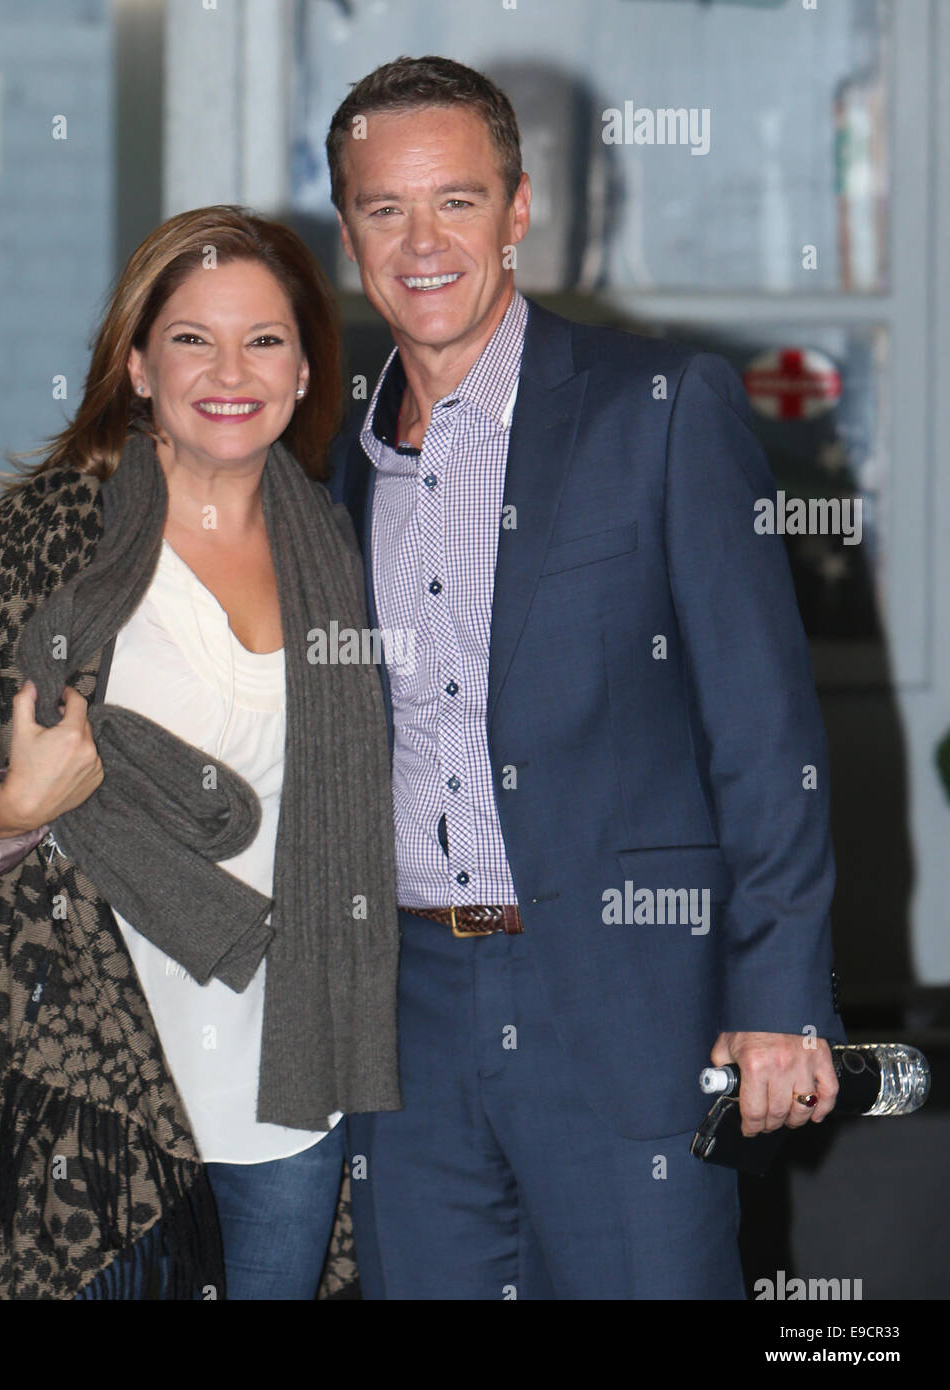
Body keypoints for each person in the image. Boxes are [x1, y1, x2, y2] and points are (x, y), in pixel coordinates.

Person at [0, 207, 400, 1300]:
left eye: (264, 339)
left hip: (286, 1096)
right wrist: (5, 805)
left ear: (308, 365)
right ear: (135, 363)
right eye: (191, 338)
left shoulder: (340, 547)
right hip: (82, 1090)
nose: (230, 370)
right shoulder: (39, 541)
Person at [325, 55, 845, 1299]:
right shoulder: (325, 448)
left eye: (454, 199)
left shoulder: (659, 407)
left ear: (516, 210)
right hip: (404, 1018)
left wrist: (780, 995)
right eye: (382, 208)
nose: (420, 241)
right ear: (347, 229)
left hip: (620, 1005)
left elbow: (764, 731)